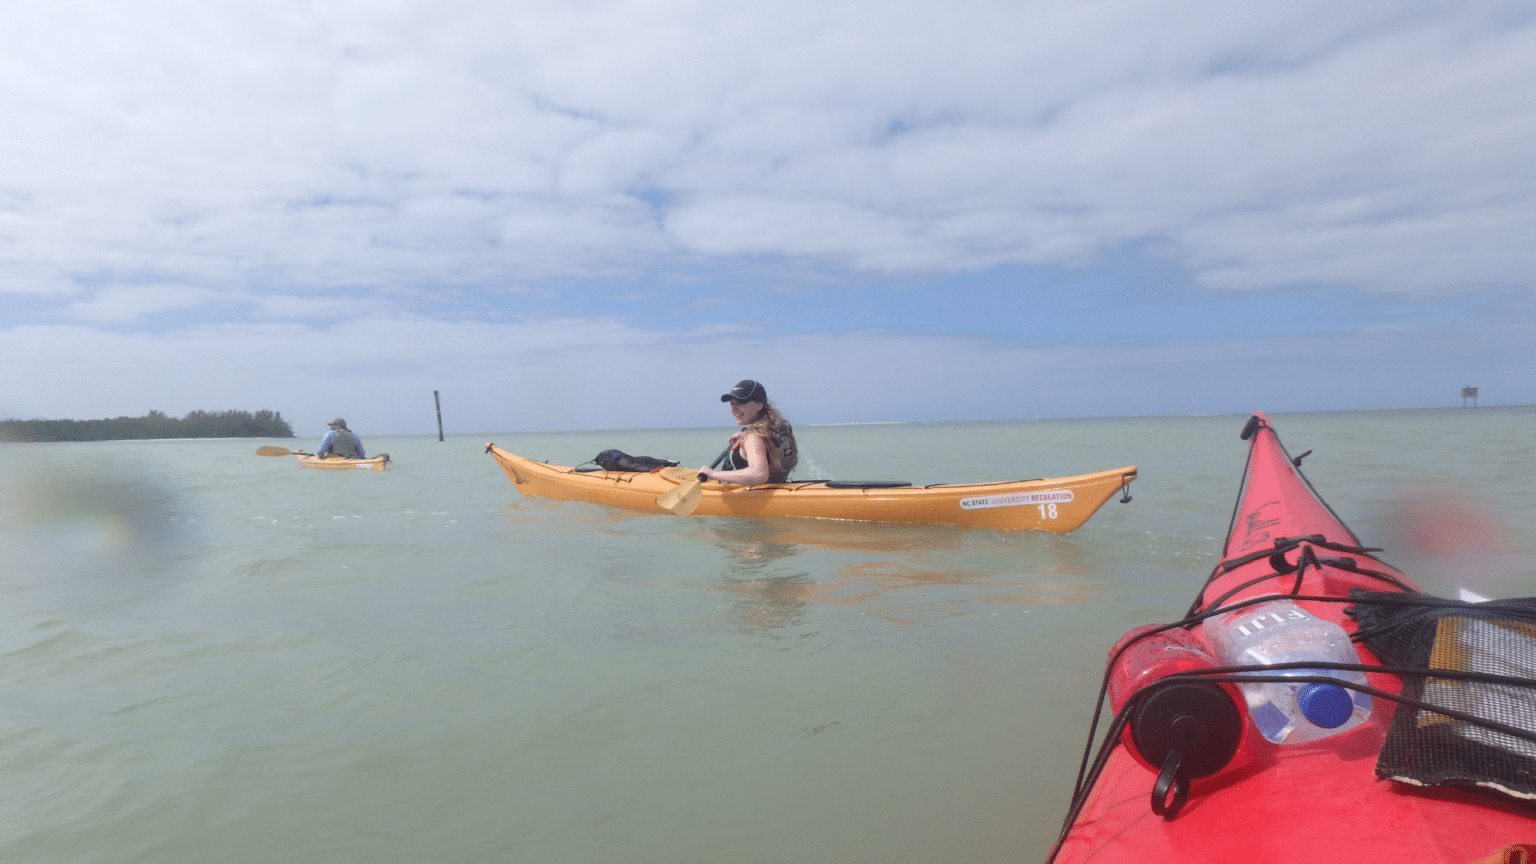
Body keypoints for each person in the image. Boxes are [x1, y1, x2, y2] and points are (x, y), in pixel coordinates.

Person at [698, 379, 797, 485]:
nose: (734, 409)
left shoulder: (753, 437)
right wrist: (746, 436)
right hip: (779, 488)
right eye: (732, 404)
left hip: (755, 499)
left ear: (759, 405)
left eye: (740, 403)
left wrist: (713, 474)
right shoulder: (778, 429)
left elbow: (759, 474)